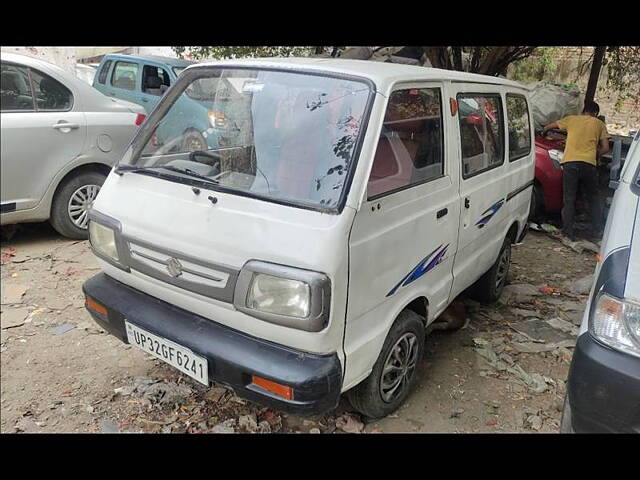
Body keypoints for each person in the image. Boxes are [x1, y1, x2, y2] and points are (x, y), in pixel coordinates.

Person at [543, 101, 609, 240]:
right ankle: (597, 231)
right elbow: (605, 148)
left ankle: (568, 232)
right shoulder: (599, 124)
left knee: (569, 199)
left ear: (583, 111)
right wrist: (594, 154)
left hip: (570, 163)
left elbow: (550, 126)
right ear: (596, 113)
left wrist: (544, 132)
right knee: (593, 198)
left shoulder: (572, 119)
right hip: (589, 164)